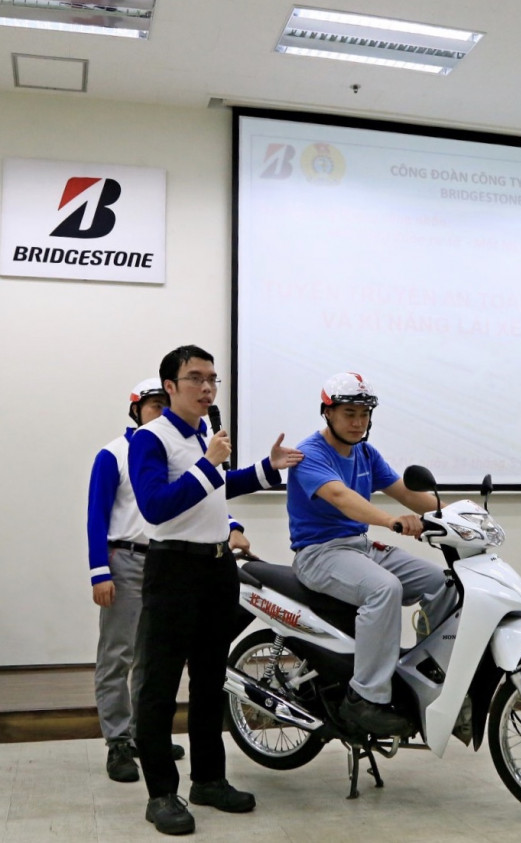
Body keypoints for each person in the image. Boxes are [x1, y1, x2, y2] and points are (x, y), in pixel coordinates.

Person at [128, 345, 304, 836]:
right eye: (196, 378)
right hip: (172, 569)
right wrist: (208, 465)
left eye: (212, 379)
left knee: (210, 681)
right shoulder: (151, 439)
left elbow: (218, 488)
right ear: (170, 386)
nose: (207, 388)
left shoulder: (205, 435)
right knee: (160, 686)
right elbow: (156, 507)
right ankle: (161, 794)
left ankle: (208, 779)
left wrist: (267, 468)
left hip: (216, 567)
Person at [88, 379, 253, 784]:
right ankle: (118, 741)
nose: (162, 410)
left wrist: (232, 524)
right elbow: (97, 514)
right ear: (136, 409)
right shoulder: (115, 453)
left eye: (166, 403)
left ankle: (146, 738)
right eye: (153, 404)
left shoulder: (187, 443)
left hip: (172, 562)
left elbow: (203, 498)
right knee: (118, 654)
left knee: (152, 660)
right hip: (128, 558)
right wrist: (99, 571)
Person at [286, 372, 458, 738]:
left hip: (359, 547)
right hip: (318, 553)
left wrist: (457, 516)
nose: (358, 422)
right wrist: (390, 521)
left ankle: (424, 676)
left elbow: (407, 494)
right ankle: (364, 698)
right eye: (349, 413)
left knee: (443, 583)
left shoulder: (365, 453)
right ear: (328, 412)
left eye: (364, 414)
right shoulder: (310, 454)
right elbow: (341, 497)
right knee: (384, 589)